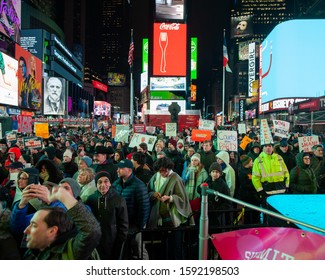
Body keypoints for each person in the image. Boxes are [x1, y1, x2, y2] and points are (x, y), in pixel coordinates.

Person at [23, 183, 101, 260]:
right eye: (59, 188)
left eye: (34, 225)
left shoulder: (71, 251)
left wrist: (65, 198)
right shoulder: (31, 252)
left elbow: (91, 230)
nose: (25, 231)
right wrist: (21, 206)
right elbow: (17, 226)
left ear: (52, 231)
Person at [148, 157, 194, 259]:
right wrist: (153, 194)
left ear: (169, 168)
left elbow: (182, 198)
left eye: (165, 171)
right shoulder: (156, 176)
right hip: (159, 218)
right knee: (162, 245)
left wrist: (171, 198)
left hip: (173, 218)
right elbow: (149, 191)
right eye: (160, 171)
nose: (163, 173)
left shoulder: (176, 178)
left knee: (175, 245)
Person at [112, 159, 150, 259]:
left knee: (139, 249)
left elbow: (144, 207)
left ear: (129, 170)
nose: (117, 170)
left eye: (121, 168)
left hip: (134, 225)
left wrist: (139, 226)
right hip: (121, 224)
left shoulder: (139, 185)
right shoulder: (116, 184)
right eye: (118, 168)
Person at [86, 171, 128, 260]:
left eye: (106, 181)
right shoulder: (91, 199)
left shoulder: (118, 200)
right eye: (99, 182)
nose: (103, 185)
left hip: (113, 240)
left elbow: (123, 225)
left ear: (110, 183)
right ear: (96, 184)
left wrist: (120, 242)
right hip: (96, 241)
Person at [252, 143, 290, 209]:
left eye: (270, 146)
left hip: (281, 191)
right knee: (269, 215)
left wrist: (287, 186)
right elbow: (255, 178)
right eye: (265, 146)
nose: (268, 148)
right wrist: (261, 191)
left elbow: (286, 173)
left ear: (272, 147)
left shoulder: (279, 158)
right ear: (263, 148)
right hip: (267, 192)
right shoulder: (258, 160)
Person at [238, 155, 260, 224]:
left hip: (254, 196)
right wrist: (255, 186)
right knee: (248, 213)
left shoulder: (252, 170)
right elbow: (244, 185)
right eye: (251, 161)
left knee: (256, 213)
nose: (252, 162)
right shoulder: (242, 172)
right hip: (247, 196)